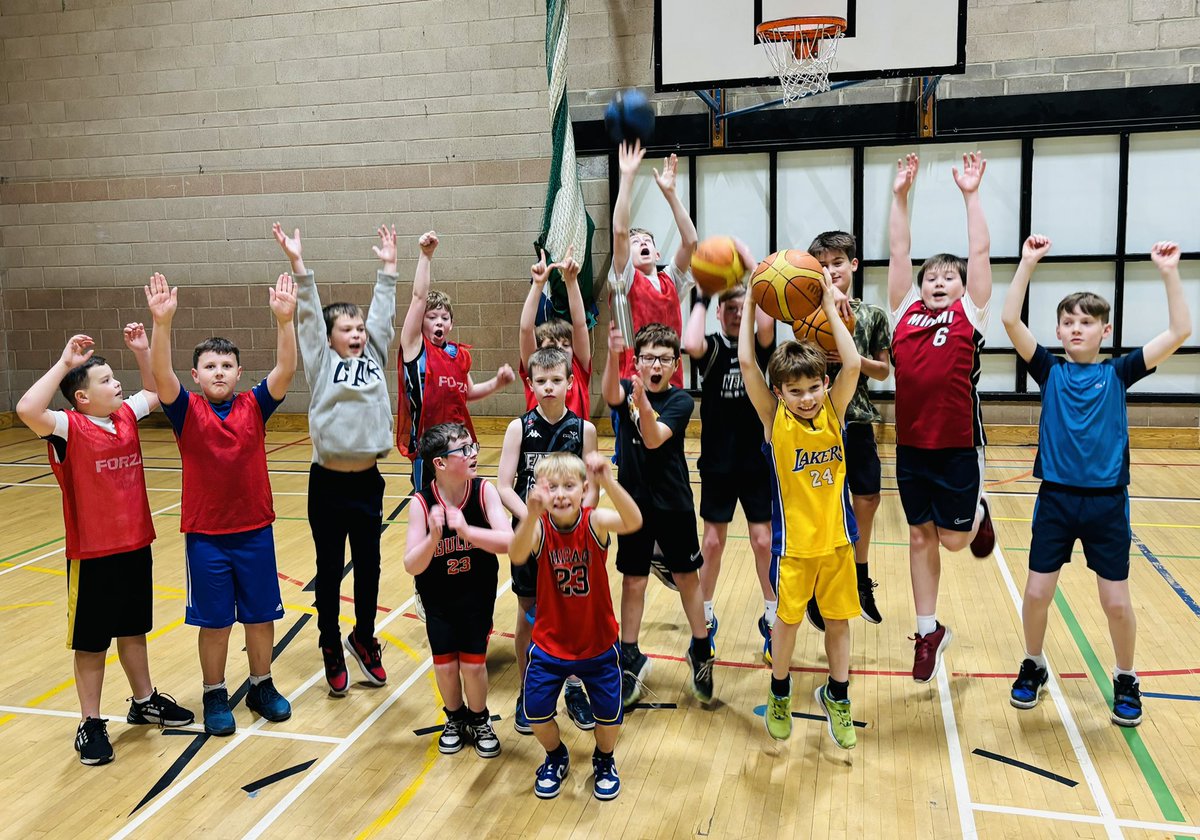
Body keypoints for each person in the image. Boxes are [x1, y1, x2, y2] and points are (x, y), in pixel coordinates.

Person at [1001, 237, 1191, 727]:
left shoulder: (1120, 372)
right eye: (1068, 322)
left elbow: (1180, 330)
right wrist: (1026, 263)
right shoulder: (1049, 370)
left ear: (1105, 330)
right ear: (1059, 331)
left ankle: (1126, 675)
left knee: (1115, 601)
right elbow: (1008, 321)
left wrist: (1169, 272)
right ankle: (1033, 663)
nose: (1076, 328)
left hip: (1107, 503)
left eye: (1086, 322)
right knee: (1037, 594)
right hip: (1057, 500)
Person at [16, 328, 194, 765]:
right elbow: (25, 408)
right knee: (92, 641)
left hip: (135, 544)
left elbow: (154, 389)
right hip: (92, 554)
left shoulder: (125, 416)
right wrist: (64, 362)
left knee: (133, 630)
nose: (118, 385)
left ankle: (144, 700)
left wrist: (142, 351)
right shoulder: (65, 427)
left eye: (117, 378)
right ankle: (90, 722)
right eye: (107, 380)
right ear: (82, 398)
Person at [146, 271, 297, 736]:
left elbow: (286, 370)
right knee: (214, 623)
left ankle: (261, 684)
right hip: (207, 538)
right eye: (210, 366)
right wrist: (162, 324)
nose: (218, 372)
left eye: (226, 366)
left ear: (237, 372)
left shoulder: (254, 405)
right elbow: (160, 375)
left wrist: (284, 322)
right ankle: (214, 692)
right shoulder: (185, 409)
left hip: (255, 531)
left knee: (260, 616)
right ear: (196, 375)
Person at [274, 222, 400, 696]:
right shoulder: (321, 361)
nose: (356, 333)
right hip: (326, 484)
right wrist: (298, 265)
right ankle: (330, 643)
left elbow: (384, 316)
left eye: (358, 328)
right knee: (329, 570)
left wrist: (388, 268)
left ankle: (363, 637)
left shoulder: (375, 353)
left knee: (369, 565)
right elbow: (307, 314)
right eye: (345, 328)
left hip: (368, 483)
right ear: (328, 339)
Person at [739, 266, 862, 750]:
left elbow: (851, 366)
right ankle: (780, 691)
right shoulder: (774, 421)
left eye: (813, 388)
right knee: (785, 626)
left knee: (838, 623)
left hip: (837, 542)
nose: (807, 398)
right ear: (780, 394)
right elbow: (751, 365)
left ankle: (839, 695)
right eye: (796, 391)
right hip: (793, 549)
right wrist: (752, 299)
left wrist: (829, 303)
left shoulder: (833, 409)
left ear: (823, 384)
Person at [888, 152, 996, 683]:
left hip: (956, 445)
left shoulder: (968, 314)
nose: (937, 282)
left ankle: (978, 510)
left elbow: (979, 251)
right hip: (910, 448)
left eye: (947, 277)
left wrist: (970, 195)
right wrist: (900, 196)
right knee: (918, 537)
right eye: (931, 276)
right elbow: (898, 250)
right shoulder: (903, 312)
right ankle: (928, 629)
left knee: (954, 541)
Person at [509, 452, 642, 800]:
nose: (561, 494)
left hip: (597, 644)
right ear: (541, 492)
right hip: (551, 646)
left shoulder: (594, 521)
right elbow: (516, 553)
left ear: (584, 489)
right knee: (535, 713)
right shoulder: (538, 528)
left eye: (569, 486)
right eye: (552, 487)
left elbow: (634, 521)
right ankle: (556, 756)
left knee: (610, 719)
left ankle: (604, 758)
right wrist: (530, 515)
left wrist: (608, 481)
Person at [603, 320, 714, 707]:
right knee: (633, 581)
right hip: (633, 505)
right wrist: (610, 354)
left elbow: (652, 439)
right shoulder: (624, 388)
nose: (655, 365)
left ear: (673, 366)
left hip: (673, 504)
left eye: (663, 359)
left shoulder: (681, 401)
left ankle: (701, 647)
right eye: (648, 357)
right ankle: (629, 654)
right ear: (637, 362)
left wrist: (644, 405)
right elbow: (604, 393)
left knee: (687, 577)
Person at [497, 345, 598, 735]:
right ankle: (528, 691)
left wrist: (573, 524)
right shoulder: (518, 427)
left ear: (570, 383)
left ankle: (574, 688)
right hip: (531, 537)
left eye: (557, 380)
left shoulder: (583, 430)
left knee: (572, 614)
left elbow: (590, 491)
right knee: (528, 611)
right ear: (531, 383)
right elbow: (504, 486)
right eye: (541, 381)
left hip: (571, 541)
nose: (549, 387)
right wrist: (533, 520)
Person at [680, 267, 776, 662]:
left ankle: (772, 619)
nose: (737, 314)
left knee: (763, 541)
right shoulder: (713, 349)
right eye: (729, 309)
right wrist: (703, 296)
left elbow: (767, 319)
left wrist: (753, 281)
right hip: (718, 464)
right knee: (712, 544)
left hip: (756, 462)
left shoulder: (758, 349)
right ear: (719, 315)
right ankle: (704, 620)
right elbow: (689, 341)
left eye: (742, 308)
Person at [403, 423, 513, 758]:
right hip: (437, 599)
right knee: (446, 665)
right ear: (439, 463)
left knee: (474, 665)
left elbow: (508, 541)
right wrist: (434, 538)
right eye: (463, 450)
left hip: (476, 595)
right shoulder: (421, 504)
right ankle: (455, 718)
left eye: (473, 445)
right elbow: (411, 564)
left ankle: (480, 719)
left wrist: (466, 530)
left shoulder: (484, 491)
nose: (473, 453)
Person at [804, 230, 892, 630]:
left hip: (857, 419)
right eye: (822, 265)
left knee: (869, 498)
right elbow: (799, 365)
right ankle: (820, 587)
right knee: (825, 507)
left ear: (853, 265)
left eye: (837, 262)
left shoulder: (872, 314)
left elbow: (884, 368)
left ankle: (860, 573)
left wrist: (851, 358)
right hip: (817, 423)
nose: (830, 270)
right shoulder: (805, 314)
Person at [397, 231, 515, 490]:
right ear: (421, 321)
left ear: (451, 323)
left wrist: (497, 382)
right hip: (429, 448)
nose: (439, 321)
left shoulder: (459, 355)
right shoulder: (415, 347)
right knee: (431, 508)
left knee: (461, 505)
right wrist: (425, 256)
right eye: (432, 317)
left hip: (459, 445)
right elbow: (418, 298)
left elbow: (469, 393)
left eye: (444, 317)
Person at [609, 140, 698, 390]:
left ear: (657, 252)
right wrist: (627, 178)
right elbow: (619, 231)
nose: (642, 243)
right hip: (634, 377)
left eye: (647, 240)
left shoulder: (671, 279)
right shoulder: (626, 279)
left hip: (671, 377)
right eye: (635, 242)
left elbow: (690, 240)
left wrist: (671, 194)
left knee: (669, 429)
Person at [519, 245, 593, 418]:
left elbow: (580, 324)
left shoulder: (577, 370)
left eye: (566, 345)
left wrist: (571, 281)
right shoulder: (534, 369)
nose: (559, 348)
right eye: (552, 345)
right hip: (539, 445)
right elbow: (525, 329)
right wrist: (538, 285)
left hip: (575, 445)